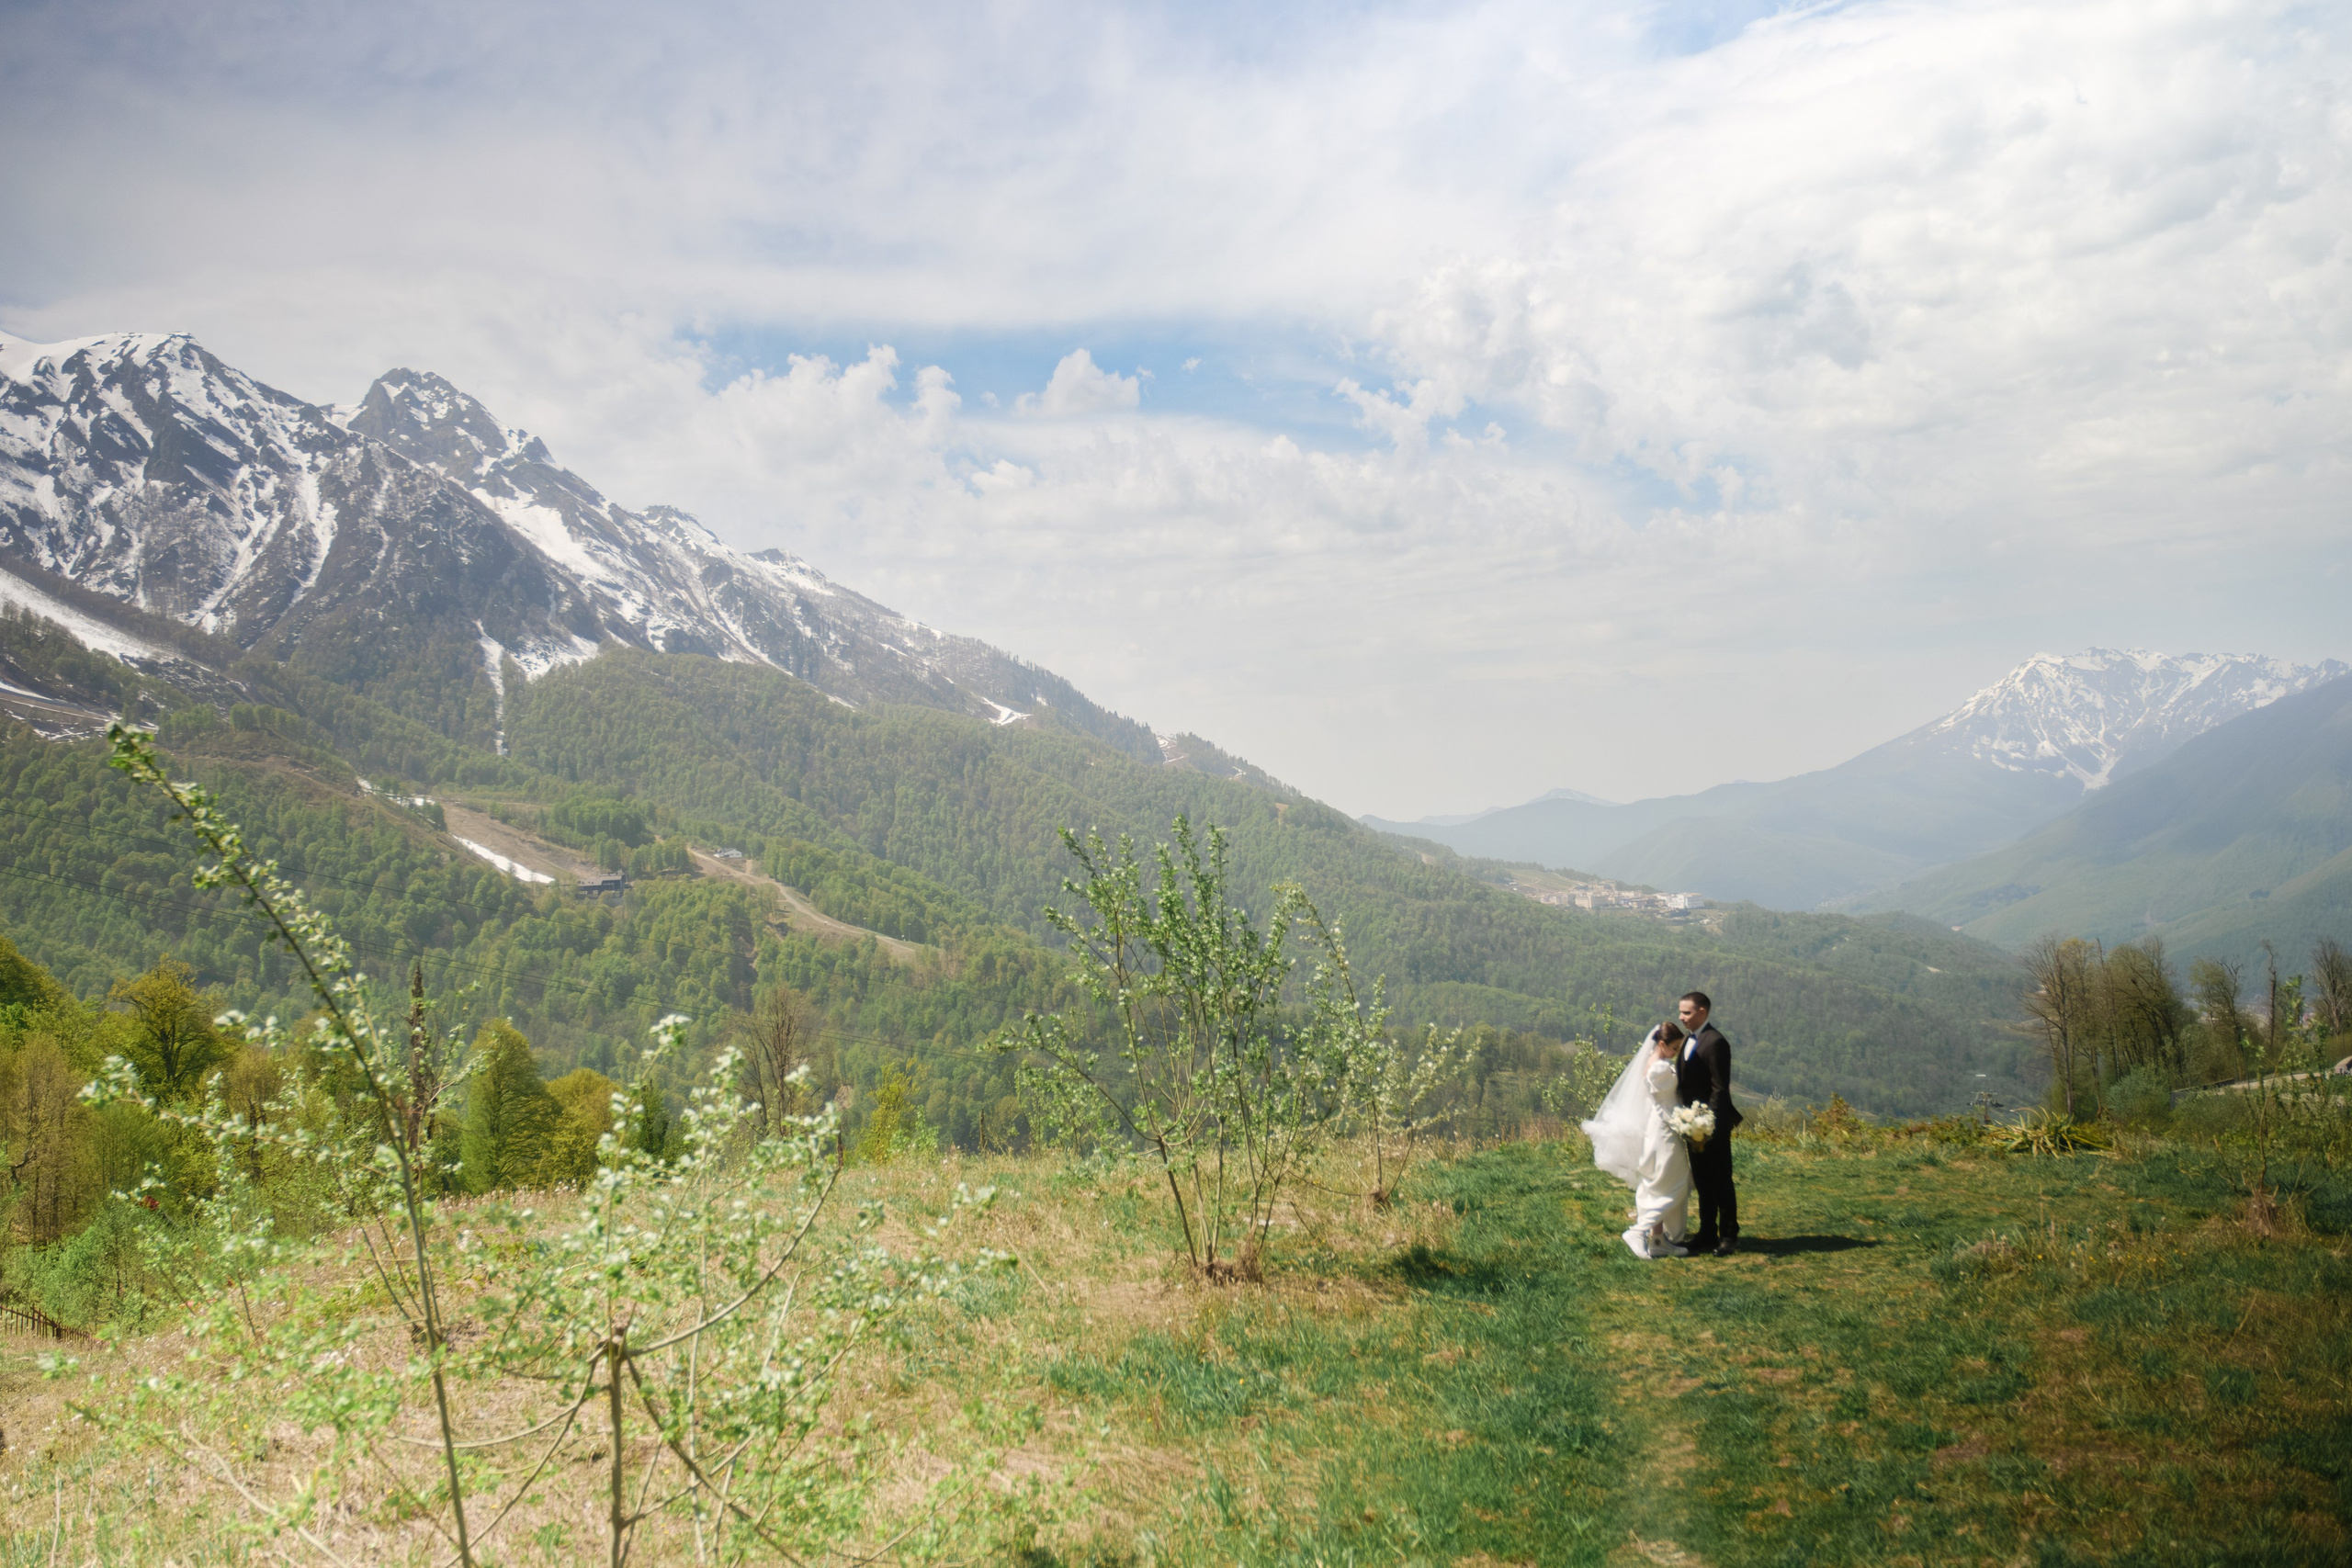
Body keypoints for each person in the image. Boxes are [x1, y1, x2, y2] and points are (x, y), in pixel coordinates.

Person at [1580, 1021, 1691, 1259]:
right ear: (1661, 1044)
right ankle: (1638, 1230)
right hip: (1662, 1130)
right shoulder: (1660, 1069)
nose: (1675, 1053)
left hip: (1657, 1126)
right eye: (1673, 1048)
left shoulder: (1655, 1064)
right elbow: (1669, 1098)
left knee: (1657, 1182)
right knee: (1677, 1181)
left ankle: (1659, 1239)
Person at [1675, 991, 1742, 1255]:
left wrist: (1708, 1125)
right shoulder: (1688, 1041)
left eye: (1687, 1013)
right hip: (1692, 1125)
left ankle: (1729, 1235)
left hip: (1711, 1125)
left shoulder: (1715, 1042)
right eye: (1680, 1012)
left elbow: (1719, 1088)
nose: (1681, 1017)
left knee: (1721, 1179)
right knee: (1702, 1179)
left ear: (1702, 1012)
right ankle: (1706, 1233)